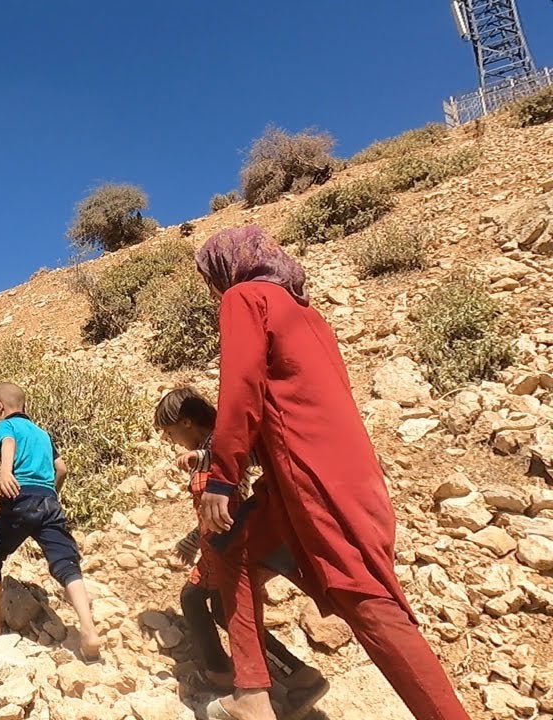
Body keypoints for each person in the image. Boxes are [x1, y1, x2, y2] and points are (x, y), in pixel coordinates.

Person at [192, 226, 469, 720]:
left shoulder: (244, 297)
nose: (212, 291)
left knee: (366, 601)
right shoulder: (306, 314)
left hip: (311, 477)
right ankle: (252, 695)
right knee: (230, 546)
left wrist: (221, 475)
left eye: (209, 279)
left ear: (224, 268)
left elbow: (242, 388)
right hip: (344, 471)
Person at [155, 387, 327, 715]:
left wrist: (206, 556)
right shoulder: (218, 446)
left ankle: (224, 674)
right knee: (222, 607)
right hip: (228, 541)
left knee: (195, 599)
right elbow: (218, 508)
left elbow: (224, 509)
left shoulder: (218, 447)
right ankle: (298, 675)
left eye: (170, 432)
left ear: (187, 423)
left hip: (229, 546)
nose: (172, 440)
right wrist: (192, 542)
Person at [0, 382, 102, 661]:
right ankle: (88, 628)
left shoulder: (6, 425)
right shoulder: (43, 433)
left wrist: (5, 471)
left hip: (19, 496)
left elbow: (8, 442)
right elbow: (61, 468)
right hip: (48, 500)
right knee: (65, 562)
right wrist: (52, 493)